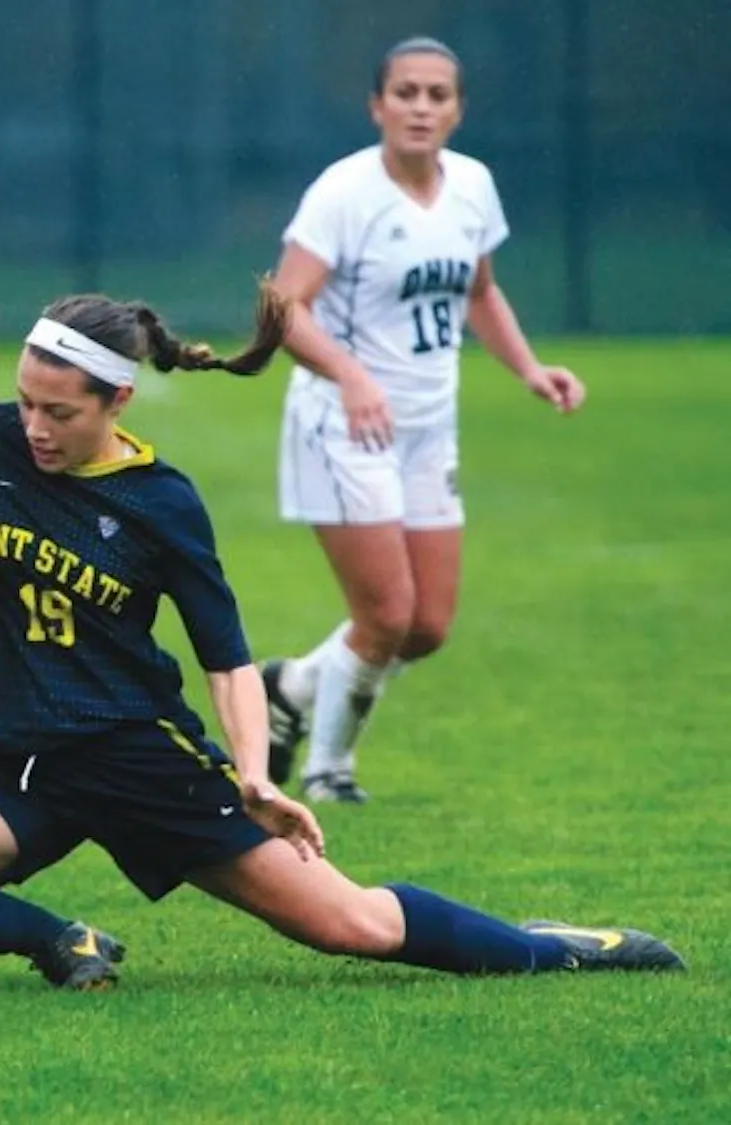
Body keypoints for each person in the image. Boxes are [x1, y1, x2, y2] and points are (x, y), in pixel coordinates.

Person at [0, 288, 681, 989]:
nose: (35, 427)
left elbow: (228, 658)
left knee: (351, 926)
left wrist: (253, 772)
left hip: (137, 758)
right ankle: (59, 940)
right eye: (28, 403)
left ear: (117, 399)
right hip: (5, 766)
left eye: (61, 411)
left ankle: (551, 949)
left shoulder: (163, 502)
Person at [259, 37, 587, 804]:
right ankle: (329, 772)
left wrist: (531, 370)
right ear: (377, 105)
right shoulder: (345, 192)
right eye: (405, 92)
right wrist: (349, 376)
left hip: (428, 427)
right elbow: (282, 305)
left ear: (458, 109)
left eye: (437, 94)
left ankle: (294, 687)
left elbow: (479, 293)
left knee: (427, 626)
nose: (421, 106)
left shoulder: (472, 185)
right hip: (344, 424)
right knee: (385, 616)